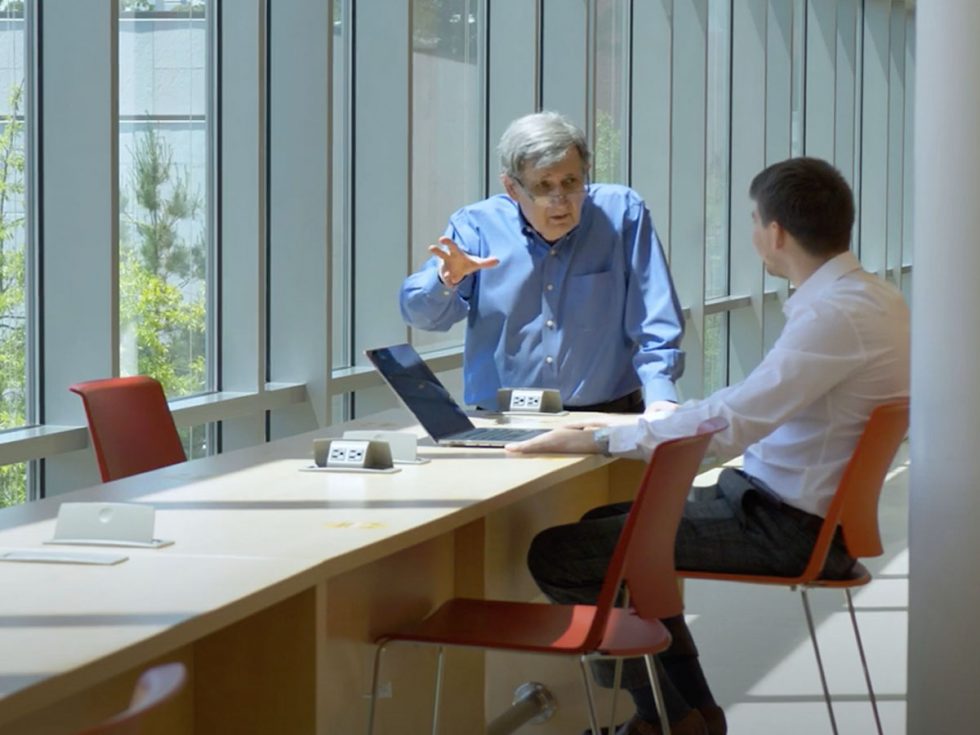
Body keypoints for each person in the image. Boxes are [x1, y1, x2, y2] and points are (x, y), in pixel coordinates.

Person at [507, 157, 910, 735]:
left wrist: (598, 437)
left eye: (752, 220)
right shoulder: (874, 299)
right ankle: (692, 717)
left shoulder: (835, 315)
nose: (753, 235)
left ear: (775, 233)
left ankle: (663, 723)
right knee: (605, 527)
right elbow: (746, 402)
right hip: (786, 509)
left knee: (560, 555)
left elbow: (731, 426)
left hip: (783, 525)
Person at [400, 111, 684, 414]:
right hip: (504, 421)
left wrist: (661, 396)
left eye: (571, 181)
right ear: (512, 188)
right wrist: (446, 282)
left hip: (607, 415)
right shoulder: (477, 226)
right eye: (544, 186)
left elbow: (654, 314)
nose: (560, 199)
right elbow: (421, 318)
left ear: (586, 172)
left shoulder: (621, 214)